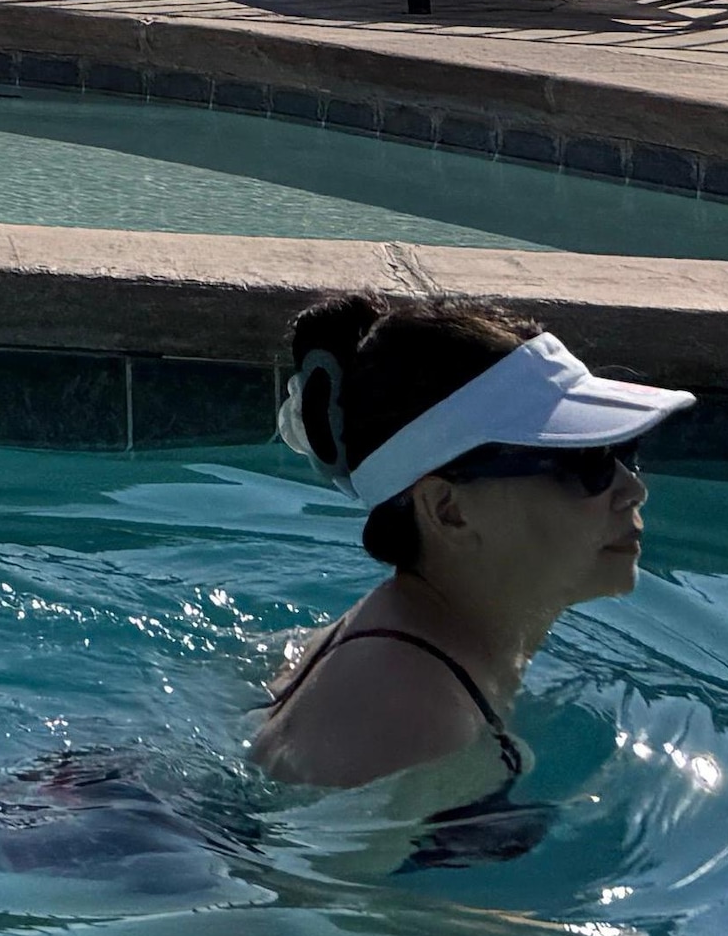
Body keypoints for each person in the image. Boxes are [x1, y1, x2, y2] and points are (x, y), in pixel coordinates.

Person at [251, 292, 688, 850]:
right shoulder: (414, 723)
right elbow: (294, 911)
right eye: (585, 463)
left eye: (624, 451)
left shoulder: (408, 647)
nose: (633, 489)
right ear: (448, 511)